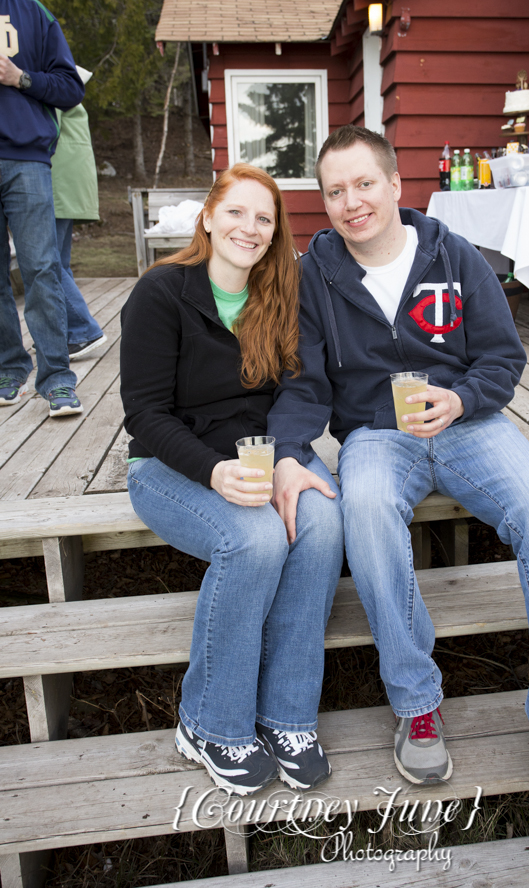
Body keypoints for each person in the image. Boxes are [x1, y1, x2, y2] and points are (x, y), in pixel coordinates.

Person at [268, 125, 529, 854]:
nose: (351, 203)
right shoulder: (314, 274)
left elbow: (503, 356)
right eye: (335, 191)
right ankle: (415, 703)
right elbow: (304, 379)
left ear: (393, 183)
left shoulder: (450, 252)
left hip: (469, 423)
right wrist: (286, 451)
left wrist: (463, 400)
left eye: (363, 184)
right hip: (377, 434)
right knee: (365, 509)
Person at [120, 162, 344, 796]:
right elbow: (144, 414)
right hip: (171, 466)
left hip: (262, 457)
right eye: (238, 212)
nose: (250, 228)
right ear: (208, 218)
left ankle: (287, 717)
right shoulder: (162, 292)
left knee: (323, 523)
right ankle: (209, 723)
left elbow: (298, 389)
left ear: (276, 234)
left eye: (265, 219)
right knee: (256, 540)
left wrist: (289, 459)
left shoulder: (279, 297)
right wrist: (214, 472)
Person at [0, 0, 85, 415]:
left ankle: (57, 379)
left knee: (42, 268)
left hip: (25, 159)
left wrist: (21, 78)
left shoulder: (32, 11)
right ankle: (8, 369)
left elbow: (71, 88)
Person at [51, 65, 106, 359]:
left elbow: (41, 129)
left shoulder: (54, 92)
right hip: (68, 184)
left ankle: (83, 330)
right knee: (59, 262)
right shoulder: (70, 89)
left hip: (55, 183)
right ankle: (62, 332)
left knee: (47, 263)